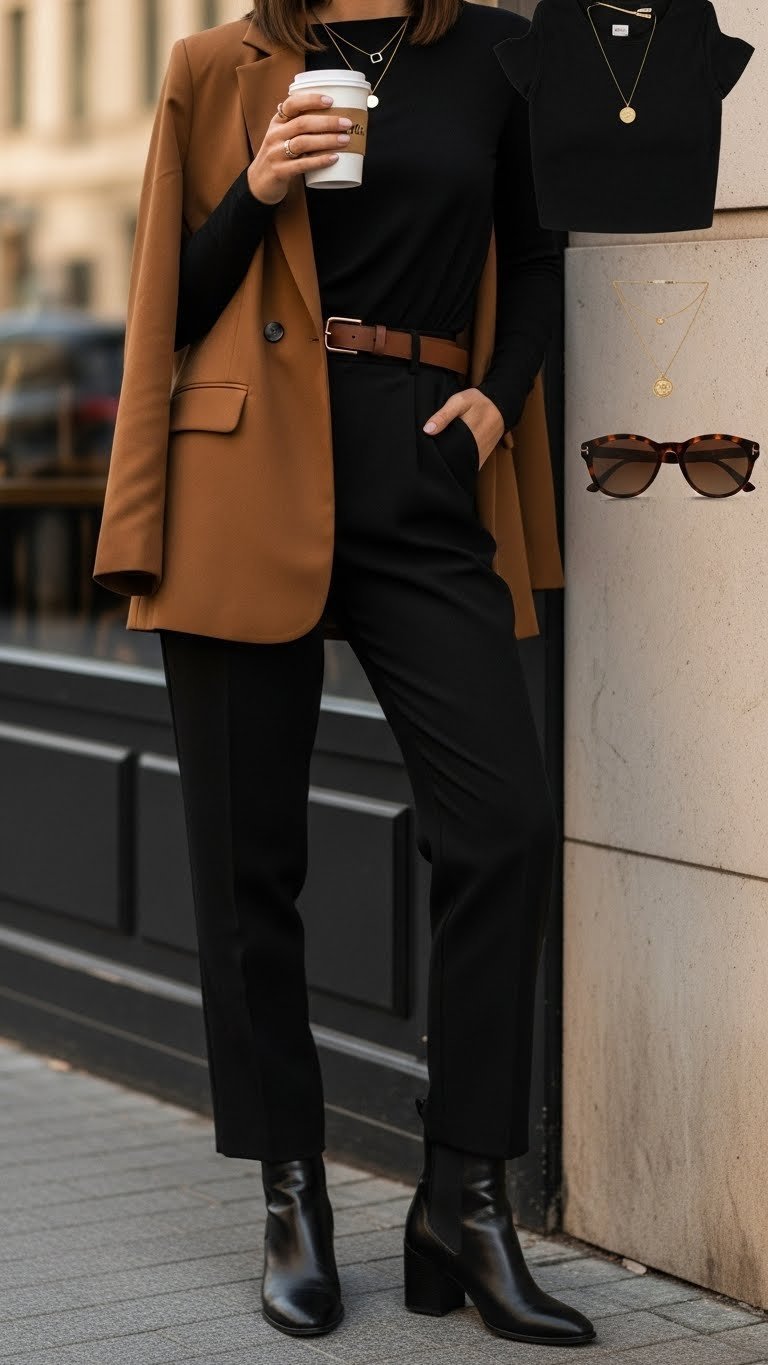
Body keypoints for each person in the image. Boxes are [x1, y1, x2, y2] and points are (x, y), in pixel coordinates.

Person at [92, 0, 595, 1347]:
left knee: (502, 826)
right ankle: (291, 1194)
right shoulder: (218, 64)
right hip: (243, 464)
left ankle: (461, 1199)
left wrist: (497, 398)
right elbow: (170, 300)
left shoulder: (500, 54)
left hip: (422, 466)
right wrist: (256, 188)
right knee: (249, 864)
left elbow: (538, 258)